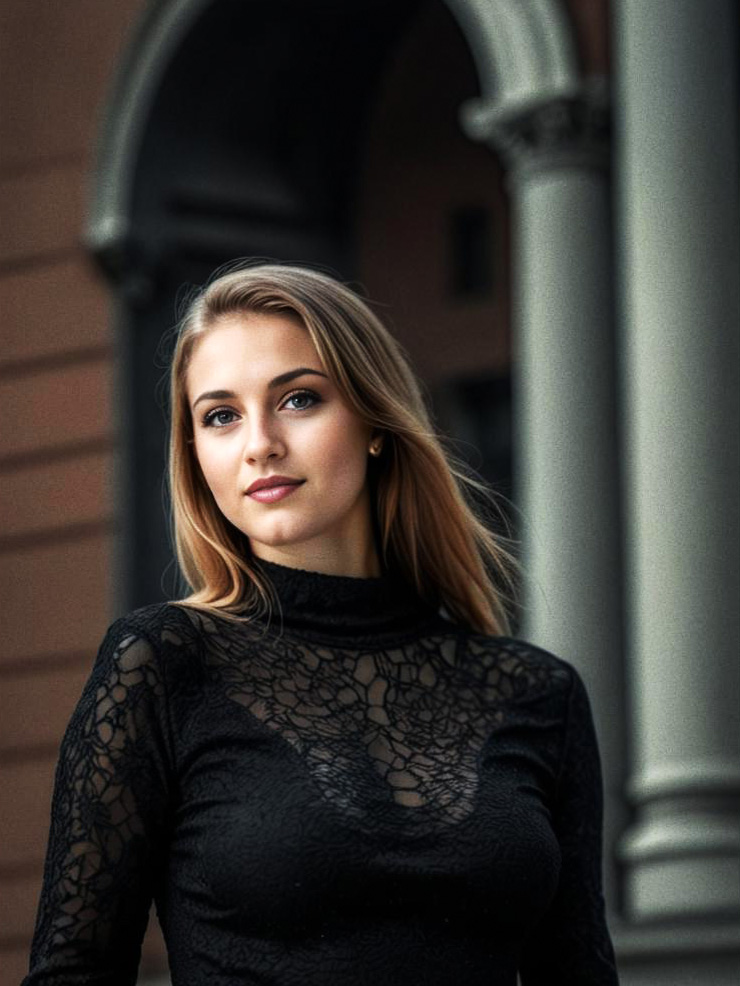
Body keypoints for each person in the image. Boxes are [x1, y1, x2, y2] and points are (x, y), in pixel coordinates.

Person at [23, 263, 618, 985]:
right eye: (220, 416)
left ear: (373, 420)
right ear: (196, 456)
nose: (260, 443)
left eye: (299, 399)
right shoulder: (163, 663)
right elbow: (73, 972)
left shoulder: (537, 693)